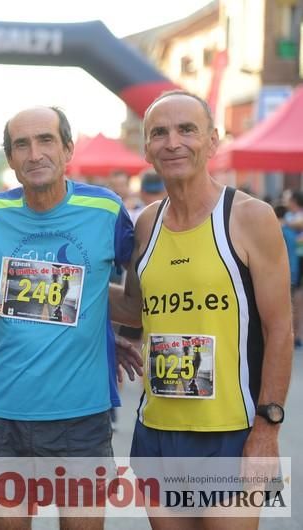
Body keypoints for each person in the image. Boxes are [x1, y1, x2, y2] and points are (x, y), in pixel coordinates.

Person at [110, 90, 293, 529]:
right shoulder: (146, 224)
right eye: (160, 133)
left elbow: (281, 329)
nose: (173, 142)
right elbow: (136, 309)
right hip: (157, 428)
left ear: (212, 142)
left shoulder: (251, 217)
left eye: (186, 130)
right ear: (147, 148)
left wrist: (268, 429)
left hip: (231, 432)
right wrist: (60, 290)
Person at [0, 106, 137, 530]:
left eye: (45, 140)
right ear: (9, 159)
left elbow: (141, 285)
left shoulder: (107, 210)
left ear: (67, 150)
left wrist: (106, 334)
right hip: (4, 414)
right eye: (21, 144)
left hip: (81, 416)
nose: (34, 153)